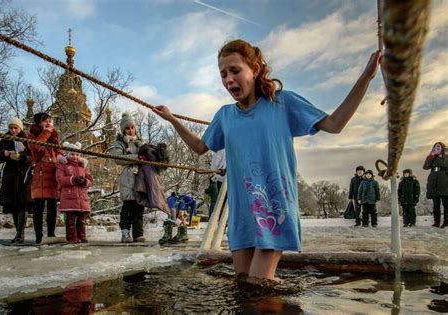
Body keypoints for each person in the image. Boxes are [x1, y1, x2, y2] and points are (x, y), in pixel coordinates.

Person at [153, 39, 380, 283]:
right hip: (241, 216)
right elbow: (199, 147)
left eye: (235, 70)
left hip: (273, 209)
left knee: (257, 287)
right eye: (223, 74)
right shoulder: (225, 116)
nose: (229, 80)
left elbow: (335, 124)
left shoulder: (282, 103)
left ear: (256, 70)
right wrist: (172, 120)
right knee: (242, 286)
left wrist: (366, 77)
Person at [0, 117, 31, 243]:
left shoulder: (26, 139)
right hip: (10, 175)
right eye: (11, 128)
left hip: (23, 175)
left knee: (22, 204)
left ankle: (21, 234)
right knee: (14, 206)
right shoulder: (5, 139)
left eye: (15, 128)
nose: (13, 130)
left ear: (20, 128)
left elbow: (31, 158)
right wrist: (4, 154)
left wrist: (21, 157)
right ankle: (18, 233)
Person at [111, 113, 145, 242]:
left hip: (140, 179)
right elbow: (118, 158)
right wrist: (137, 158)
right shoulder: (120, 143)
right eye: (127, 128)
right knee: (127, 208)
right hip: (127, 179)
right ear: (123, 130)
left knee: (139, 208)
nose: (130, 130)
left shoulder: (140, 144)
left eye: (132, 127)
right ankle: (125, 233)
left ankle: (138, 234)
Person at [28, 112, 60, 244]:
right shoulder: (32, 135)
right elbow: (36, 147)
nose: (48, 123)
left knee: (52, 206)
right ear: (38, 122)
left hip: (52, 174)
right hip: (40, 175)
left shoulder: (54, 137)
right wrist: (46, 132)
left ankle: (51, 234)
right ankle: (38, 236)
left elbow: (59, 152)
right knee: (39, 207)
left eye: (49, 121)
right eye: (45, 121)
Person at [56, 142, 93, 244]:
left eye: (77, 154)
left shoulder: (83, 167)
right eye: (72, 154)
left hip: (82, 198)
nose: (75, 157)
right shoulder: (63, 166)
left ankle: (82, 236)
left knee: (82, 219)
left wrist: (84, 181)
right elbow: (60, 179)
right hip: (69, 197)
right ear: (67, 155)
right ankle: (72, 237)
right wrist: (73, 180)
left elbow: (90, 179)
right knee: (71, 219)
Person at [423, 142, 448, 228]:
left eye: (438, 146)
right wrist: (430, 156)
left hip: (444, 181)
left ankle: (446, 222)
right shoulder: (432, 157)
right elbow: (425, 167)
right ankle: (436, 222)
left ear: (442, 148)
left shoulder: (446, 156)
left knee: (446, 203)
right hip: (434, 181)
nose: (436, 148)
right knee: (435, 204)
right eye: (435, 147)